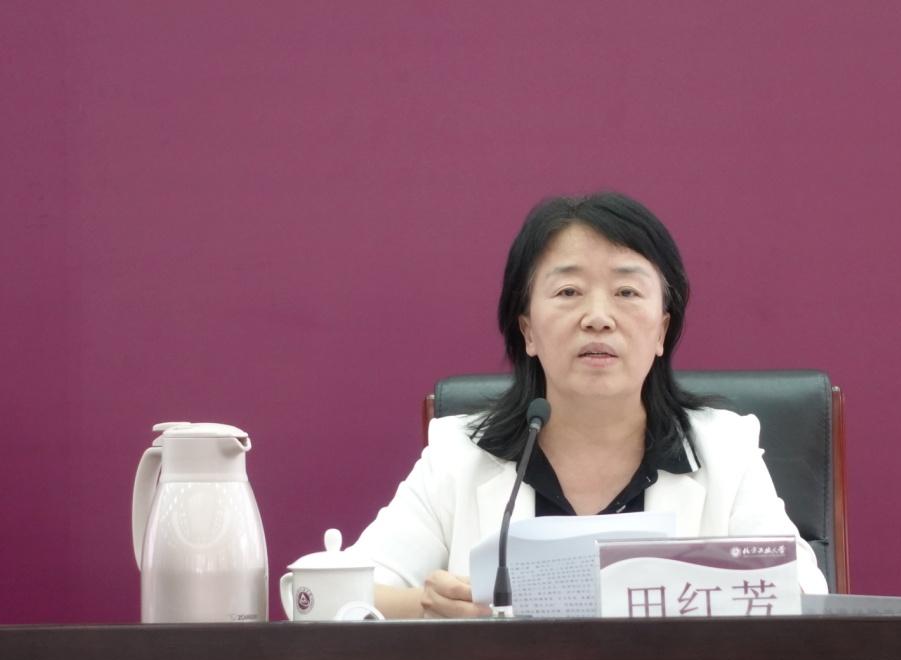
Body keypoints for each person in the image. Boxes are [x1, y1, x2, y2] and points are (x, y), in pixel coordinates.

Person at [352, 192, 828, 618]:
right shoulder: (459, 456)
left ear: (662, 331)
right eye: (568, 292)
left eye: (626, 292)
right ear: (527, 330)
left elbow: (805, 598)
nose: (598, 318)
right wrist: (425, 607)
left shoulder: (725, 452)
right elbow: (330, 594)